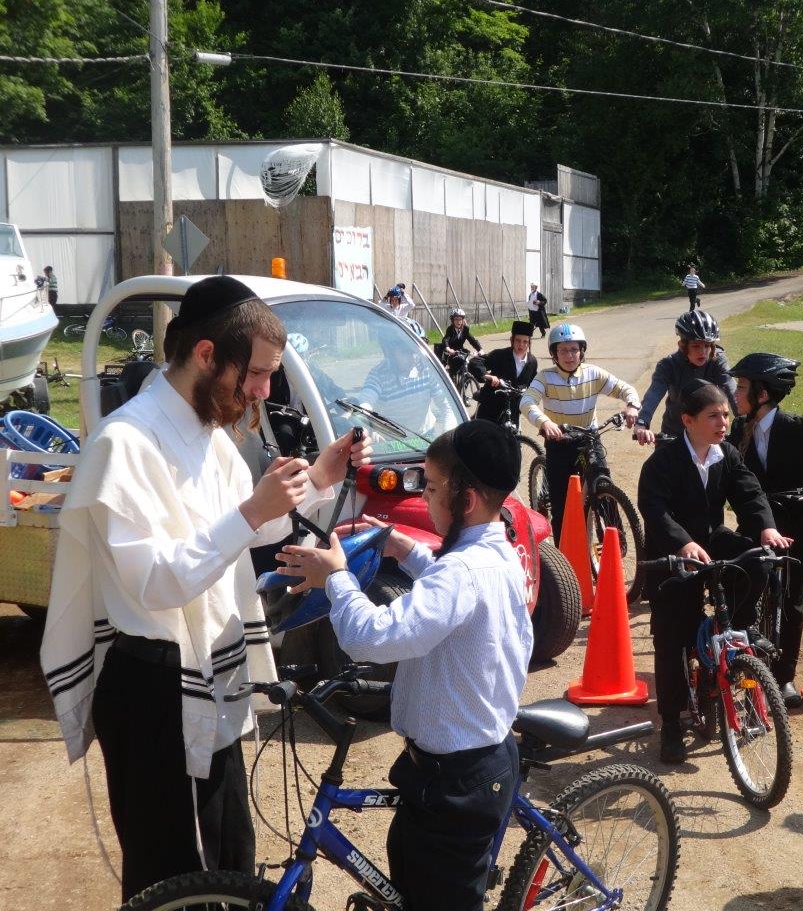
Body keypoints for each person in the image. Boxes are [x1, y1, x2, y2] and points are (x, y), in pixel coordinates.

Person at [38, 276, 370, 903]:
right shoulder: (123, 444)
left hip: (205, 675)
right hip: (152, 692)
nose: (265, 392)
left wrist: (319, 478)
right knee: (175, 881)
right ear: (207, 354)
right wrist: (249, 513)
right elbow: (159, 582)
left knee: (226, 863)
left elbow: (233, 533)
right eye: (259, 374)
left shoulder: (207, 430)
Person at [275, 421, 532, 911]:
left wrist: (338, 579)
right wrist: (402, 548)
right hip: (457, 768)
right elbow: (448, 584)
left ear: (468, 498)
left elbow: (370, 637)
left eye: (433, 488)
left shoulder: (463, 572)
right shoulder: (491, 550)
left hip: (459, 779)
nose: (427, 498)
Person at [638, 381, 792, 763]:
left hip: (711, 539)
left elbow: (749, 493)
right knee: (672, 638)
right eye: (714, 416)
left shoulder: (725, 454)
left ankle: (739, 625)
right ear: (688, 420)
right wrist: (682, 544)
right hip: (671, 555)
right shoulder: (663, 461)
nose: (724, 422)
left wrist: (766, 527)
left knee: (756, 558)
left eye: (726, 414)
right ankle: (672, 724)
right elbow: (655, 511)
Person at [726, 352, 803, 708]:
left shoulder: (799, 428)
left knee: (792, 600)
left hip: (798, 523)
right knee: (746, 588)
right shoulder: (738, 430)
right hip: (758, 522)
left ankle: (784, 677)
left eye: (742, 387)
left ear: (762, 394)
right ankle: (747, 667)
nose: (736, 393)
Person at [519, 322, 641, 540]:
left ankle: (616, 539)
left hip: (589, 438)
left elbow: (625, 388)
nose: (570, 355)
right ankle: (563, 551)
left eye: (574, 349)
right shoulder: (545, 377)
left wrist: (632, 405)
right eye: (563, 350)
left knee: (602, 483)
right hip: (559, 441)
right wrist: (545, 423)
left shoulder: (593, 373)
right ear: (554, 353)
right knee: (562, 504)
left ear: (582, 351)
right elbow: (527, 401)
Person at [634, 309, 735, 441]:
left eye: (707, 346)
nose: (703, 352)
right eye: (696, 346)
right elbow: (653, 394)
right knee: (659, 461)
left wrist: (745, 420)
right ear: (682, 345)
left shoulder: (718, 361)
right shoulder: (668, 365)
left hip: (709, 433)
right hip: (675, 433)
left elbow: (732, 389)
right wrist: (642, 422)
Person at [469, 320, 538, 426]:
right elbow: (475, 362)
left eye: (525, 342)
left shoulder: (532, 362)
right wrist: (488, 376)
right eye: (518, 341)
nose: (521, 345)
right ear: (512, 340)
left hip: (513, 409)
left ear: (529, 343)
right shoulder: (500, 355)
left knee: (512, 437)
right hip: (491, 404)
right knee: (484, 436)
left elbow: (533, 383)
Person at [436, 308, 483, 384]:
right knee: (453, 370)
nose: (459, 321)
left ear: (463, 320)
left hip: (460, 351)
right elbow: (446, 339)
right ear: (452, 320)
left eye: (460, 319)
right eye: (456, 319)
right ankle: (452, 385)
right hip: (451, 352)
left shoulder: (465, 329)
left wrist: (480, 349)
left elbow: (472, 340)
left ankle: (463, 387)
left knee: (468, 368)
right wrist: (448, 348)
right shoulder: (450, 329)